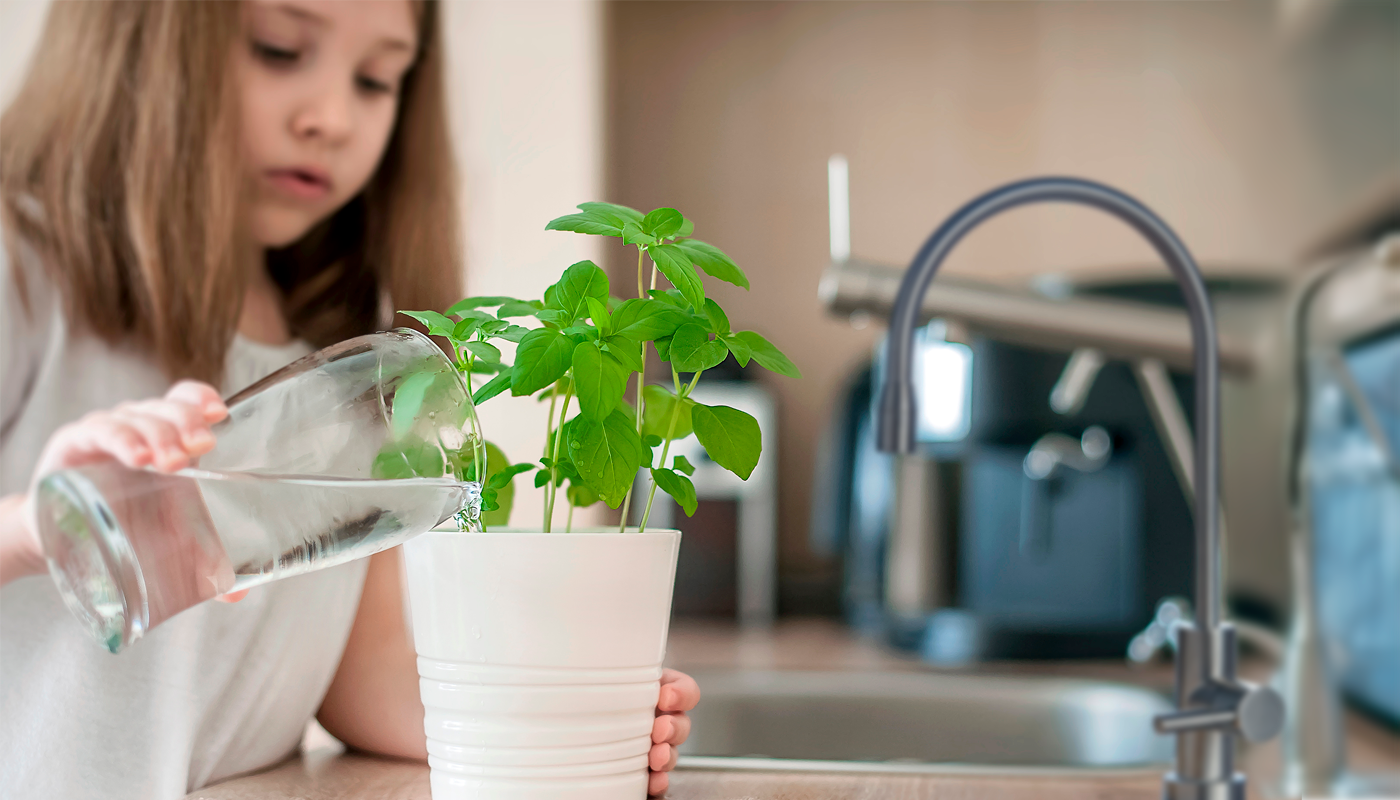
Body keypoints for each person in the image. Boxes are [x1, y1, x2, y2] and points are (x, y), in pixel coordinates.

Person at [0, 1, 698, 797]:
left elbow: (364, 680)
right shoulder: (24, 267)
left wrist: (557, 722)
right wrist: (33, 531)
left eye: (375, 80)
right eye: (279, 50)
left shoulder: (348, 353)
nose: (331, 118)